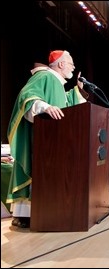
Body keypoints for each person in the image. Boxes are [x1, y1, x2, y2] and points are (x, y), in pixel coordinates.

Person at [6, 50, 88, 228]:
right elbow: (27, 96)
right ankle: (24, 215)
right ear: (61, 64)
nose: (73, 67)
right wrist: (44, 107)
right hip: (41, 142)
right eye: (71, 63)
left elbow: (64, 105)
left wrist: (78, 90)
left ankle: (46, 211)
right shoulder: (44, 76)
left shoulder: (56, 83)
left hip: (53, 142)